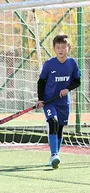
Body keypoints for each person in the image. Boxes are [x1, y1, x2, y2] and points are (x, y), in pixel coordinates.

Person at [36, 34, 81, 169]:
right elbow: (41, 81)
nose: (61, 50)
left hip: (63, 103)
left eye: (63, 47)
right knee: (53, 122)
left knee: (60, 128)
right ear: (54, 49)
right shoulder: (49, 64)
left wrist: (68, 89)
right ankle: (54, 154)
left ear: (69, 48)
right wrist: (40, 99)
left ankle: (54, 156)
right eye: (58, 47)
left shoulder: (72, 63)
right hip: (50, 101)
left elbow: (77, 81)